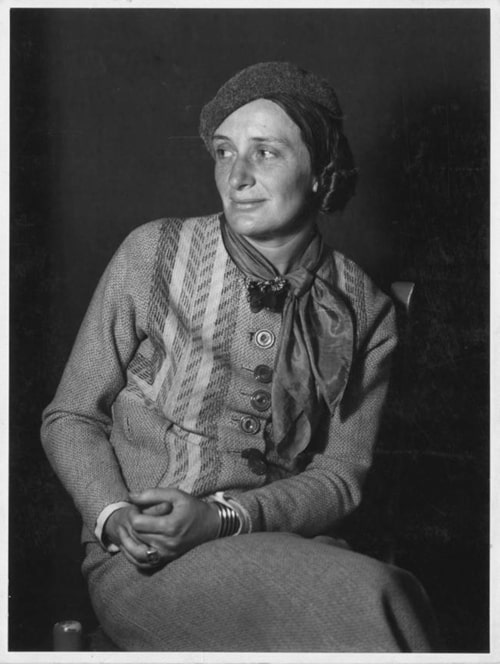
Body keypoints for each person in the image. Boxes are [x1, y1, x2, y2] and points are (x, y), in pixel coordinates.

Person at [41, 61, 439, 652]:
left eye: (266, 153)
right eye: (225, 153)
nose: (238, 177)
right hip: (147, 562)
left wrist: (227, 517)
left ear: (322, 171)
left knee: (382, 592)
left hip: (290, 546)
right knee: (364, 598)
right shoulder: (153, 253)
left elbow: (340, 479)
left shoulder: (366, 309)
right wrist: (114, 517)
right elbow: (71, 416)